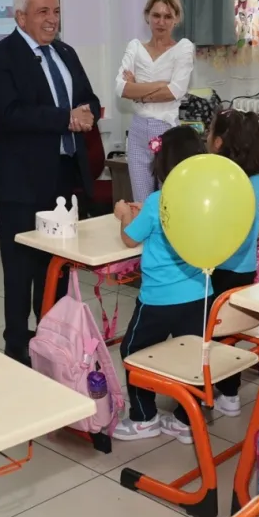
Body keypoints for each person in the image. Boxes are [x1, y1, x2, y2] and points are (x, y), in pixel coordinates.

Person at [0, 0, 102, 364]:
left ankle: (52, 339)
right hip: (21, 183)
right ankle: (17, 345)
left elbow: (89, 97)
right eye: (43, 12)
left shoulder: (65, 52)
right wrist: (66, 118)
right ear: (20, 16)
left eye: (57, 12)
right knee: (20, 270)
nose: (53, 20)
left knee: (57, 267)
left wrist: (87, 113)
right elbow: (9, 114)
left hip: (65, 177)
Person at [112, 126, 209, 444]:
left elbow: (130, 239)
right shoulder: (206, 200)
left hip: (158, 299)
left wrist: (125, 215)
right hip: (199, 294)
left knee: (132, 351)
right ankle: (185, 420)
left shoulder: (157, 201)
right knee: (191, 356)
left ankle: (143, 417)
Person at [206, 108, 259, 416]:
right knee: (226, 330)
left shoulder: (220, 182)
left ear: (218, 143)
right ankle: (229, 393)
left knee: (209, 332)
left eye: (209, 132)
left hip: (218, 266)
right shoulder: (256, 180)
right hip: (244, 267)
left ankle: (206, 389)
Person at [116, 0, 196, 201]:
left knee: (167, 199)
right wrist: (159, 85)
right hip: (137, 132)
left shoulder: (183, 48)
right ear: (147, 16)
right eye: (156, 15)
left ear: (176, 19)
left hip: (166, 131)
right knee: (141, 201)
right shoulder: (135, 47)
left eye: (168, 16)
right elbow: (121, 88)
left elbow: (174, 91)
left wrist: (138, 91)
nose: (161, 22)